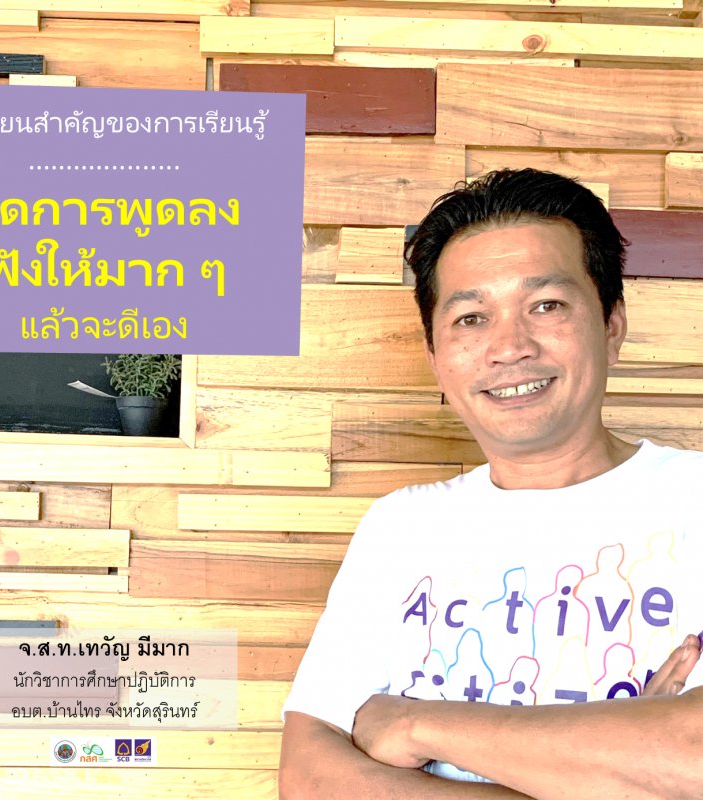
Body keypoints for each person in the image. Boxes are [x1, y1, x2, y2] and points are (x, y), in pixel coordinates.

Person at [279, 168, 703, 799]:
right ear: (434, 357)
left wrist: (416, 723)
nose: (509, 347)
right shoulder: (401, 527)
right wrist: (625, 760)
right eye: (471, 318)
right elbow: (310, 778)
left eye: (547, 305)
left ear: (611, 324)